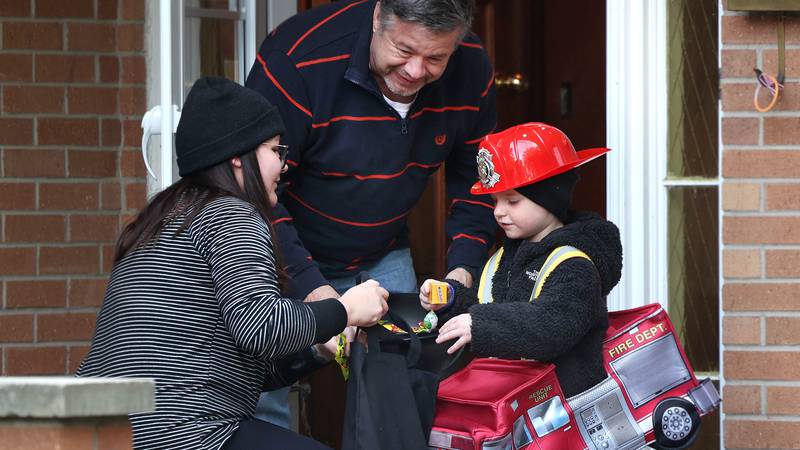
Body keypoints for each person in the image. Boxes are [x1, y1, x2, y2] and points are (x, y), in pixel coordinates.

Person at [76, 77, 390, 450]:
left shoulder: (164, 217)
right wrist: (344, 308)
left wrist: (317, 348)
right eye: (276, 150)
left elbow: (237, 360)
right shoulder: (230, 214)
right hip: (177, 430)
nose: (284, 165)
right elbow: (261, 328)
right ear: (239, 156)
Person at [246, 0, 497, 426]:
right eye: (403, 50)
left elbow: (476, 185)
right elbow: (255, 193)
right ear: (379, 16)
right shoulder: (298, 58)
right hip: (278, 254)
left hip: (381, 251)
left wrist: (462, 276)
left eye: (436, 57)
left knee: (404, 380)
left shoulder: (471, 67)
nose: (416, 71)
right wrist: (320, 297)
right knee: (261, 391)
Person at [420, 122, 623, 397]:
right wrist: (451, 299)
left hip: (564, 409)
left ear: (550, 198)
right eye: (494, 201)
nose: (499, 212)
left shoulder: (575, 265)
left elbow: (552, 324)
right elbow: (483, 307)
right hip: (513, 403)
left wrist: (480, 325)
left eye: (512, 201)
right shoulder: (502, 258)